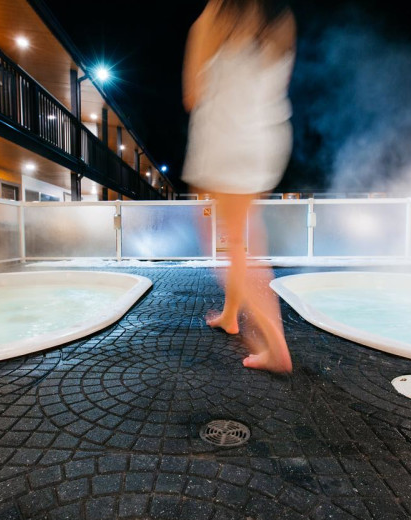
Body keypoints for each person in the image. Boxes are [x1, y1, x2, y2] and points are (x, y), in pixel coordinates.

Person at [181, 0, 296, 373]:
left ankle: (275, 346)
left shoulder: (215, 14)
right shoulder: (279, 17)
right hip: (265, 137)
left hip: (228, 138)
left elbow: (193, 93)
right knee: (242, 235)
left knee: (232, 241)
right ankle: (231, 314)